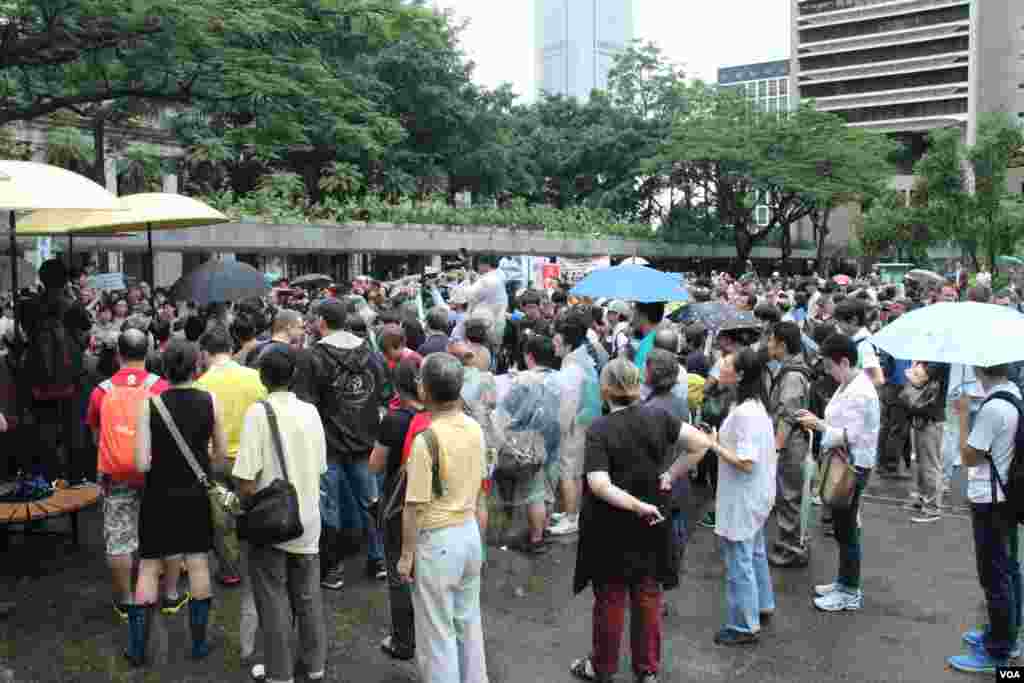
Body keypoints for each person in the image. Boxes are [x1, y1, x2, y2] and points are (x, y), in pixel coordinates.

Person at [570, 358, 713, 683]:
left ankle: (602, 667)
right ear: (637, 385)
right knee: (648, 594)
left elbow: (599, 484)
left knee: (611, 597)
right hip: (653, 517)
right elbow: (702, 444)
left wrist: (635, 505)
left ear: (605, 389)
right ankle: (647, 670)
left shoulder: (600, 429)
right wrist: (670, 475)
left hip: (610, 523)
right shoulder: (658, 416)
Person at [129, 339, 229, 666]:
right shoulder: (210, 400)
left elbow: (142, 463)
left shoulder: (150, 404)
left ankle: (137, 648)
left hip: (158, 494)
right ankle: (198, 645)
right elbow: (220, 455)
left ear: (164, 368)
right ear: (196, 366)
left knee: (148, 566)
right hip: (196, 494)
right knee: (198, 562)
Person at [233, 348, 328, 683]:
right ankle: (315, 665)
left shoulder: (258, 414)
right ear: (294, 376)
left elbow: (245, 478)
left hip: (273, 521)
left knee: (272, 599)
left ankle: (279, 672)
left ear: (262, 376)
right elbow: (320, 467)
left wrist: (249, 501)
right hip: (308, 516)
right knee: (308, 595)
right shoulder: (312, 412)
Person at [397, 353, 489, 683]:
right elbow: (481, 491)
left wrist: (406, 556)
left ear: (425, 392)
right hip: (468, 534)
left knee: (437, 634)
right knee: (468, 623)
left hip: (438, 541)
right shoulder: (476, 429)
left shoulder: (427, 441)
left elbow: (414, 506)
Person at [292, 300, 390, 591]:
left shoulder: (311, 357)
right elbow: (384, 394)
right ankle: (379, 559)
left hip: (327, 444)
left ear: (321, 321)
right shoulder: (370, 353)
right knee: (370, 502)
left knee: (328, 508)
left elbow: (305, 404)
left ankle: (333, 569)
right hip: (364, 442)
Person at [86, 329, 170, 621]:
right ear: (147, 352)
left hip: (116, 473)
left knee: (119, 538)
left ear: (118, 354)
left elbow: (96, 436)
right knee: (155, 531)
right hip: (154, 471)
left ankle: (125, 601)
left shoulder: (101, 391)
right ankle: (153, 592)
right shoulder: (161, 387)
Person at [947, 362, 1023, 673]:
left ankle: (997, 653)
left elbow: (969, 456)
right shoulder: (1014, 393)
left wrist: (963, 414)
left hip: (991, 500)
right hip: (1009, 496)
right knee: (1008, 570)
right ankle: (1006, 636)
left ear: (980, 369)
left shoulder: (994, 409)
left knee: (994, 576)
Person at [797, 334, 881, 613]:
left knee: (847, 529)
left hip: (852, 465)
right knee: (843, 528)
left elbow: (849, 435)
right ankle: (843, 582)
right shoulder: (850, 383)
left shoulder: (859, 390)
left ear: (844, 361)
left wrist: (818, 425)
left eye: (830, 366)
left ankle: (849, 591)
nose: (828, 372)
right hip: (845, 461)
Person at [705, 348, 777, 645]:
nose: (721, 366)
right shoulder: (753, 404)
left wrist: (714, 445)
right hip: (756, 493)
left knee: (740, 559)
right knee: (755, 552)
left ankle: (744, 625)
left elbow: (746, 461)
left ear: (740, 374)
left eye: (727, 364)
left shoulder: (746, 412)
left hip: (744, 496)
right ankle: (762, 603)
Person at [195, 326, 268, 587]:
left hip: (216, 459)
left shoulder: (200, 385)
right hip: (252, 457)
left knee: (222, 518)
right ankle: (264, 565)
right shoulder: (255, 377)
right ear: (231, 347)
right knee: (259, 509)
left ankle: (230, 570)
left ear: (205, 352)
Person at [369, 358, 427, 661]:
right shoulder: (438, 415)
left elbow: (375, 464)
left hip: (401, 504)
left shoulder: (395, 419)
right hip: (438, 505)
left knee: (400, 571)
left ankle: (404, 641)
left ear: (397, 386)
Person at [495, 334, 563, 555]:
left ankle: (535, 539)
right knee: (549, 489)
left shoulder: (523, 381)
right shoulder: (561, 379)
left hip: (530, 442)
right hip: (556, 438)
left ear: (529, 356)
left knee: (534, 492)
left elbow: (504, 412)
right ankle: (542, 530)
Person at [548, 307, 602, 537]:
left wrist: (558, 429)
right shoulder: (581, 357)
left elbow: (566, 408)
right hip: (586, 422)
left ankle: (571, 518)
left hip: (575, 426)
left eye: (557, 342)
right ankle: (574, 512)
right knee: (577, 471)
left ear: (567, 343)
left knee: (568, 472)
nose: (554, 346)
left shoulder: (572, 367)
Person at [765, 322, 812, 568]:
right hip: (792, 443)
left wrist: (776, 448)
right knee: (788, 495)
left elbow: (787, 415)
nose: (769, 344)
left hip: (790, 444)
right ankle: (789, 544)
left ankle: (790, 549)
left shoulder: (792, 375)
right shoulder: (793, 368)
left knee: (788, 496)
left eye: (771, 340)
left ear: (782, 345)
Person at [901, 361, 949, 523]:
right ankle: (923, 499)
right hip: (923, 416)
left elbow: (919, 378)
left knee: (930, 465)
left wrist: (912, 372)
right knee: (922, 462)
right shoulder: (928, 359)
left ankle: (933, 507)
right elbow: (917, 376)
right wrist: (914, 371)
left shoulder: (939, 360)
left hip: (931, 418)